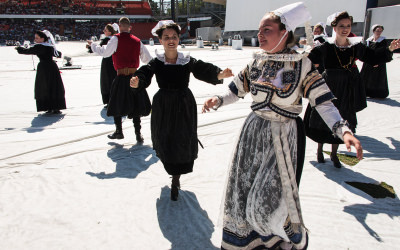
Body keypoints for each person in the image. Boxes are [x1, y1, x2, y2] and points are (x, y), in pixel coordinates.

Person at [202, 3, 363, 249]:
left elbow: (323, 103)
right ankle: (252, 241)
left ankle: (290, 235)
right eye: (259, 29)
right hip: (252, 135)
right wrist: (219, 100)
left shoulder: (301, 65)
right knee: (243, 193)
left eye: (267, 29)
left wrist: (344, 131)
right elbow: (237, 90)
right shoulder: (256, 62)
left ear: (284, 33)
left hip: (283, 138)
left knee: (269, 200)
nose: (260, 34)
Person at [129, 21, 233, 201]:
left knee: (183, 137)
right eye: (167, 37)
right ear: (160, 40)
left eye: (174, 37)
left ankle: (176, 177)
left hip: (184, 104)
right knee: (164, 137)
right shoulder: (157, 62)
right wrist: (138, 80)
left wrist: (219, 74)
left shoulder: (186, 60)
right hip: (163, 105)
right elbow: (145, 72)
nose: (171, 40)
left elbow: (201, 68)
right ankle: (172, 170)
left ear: (179, 39)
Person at [303, 12, 399, 168]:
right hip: (328, 85)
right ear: (334, 27)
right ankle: (319, 150)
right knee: (322, 118)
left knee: (342, 117)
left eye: (348, 26)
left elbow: (372, 57)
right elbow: (308, 60)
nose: (345, 29)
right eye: (341, 26)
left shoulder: (355, 45)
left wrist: (389, 49)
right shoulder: (326, 46)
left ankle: (334, 154)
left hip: (346, 88)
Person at [87, 17, 152, 142]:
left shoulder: (115, 38)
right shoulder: (137, 41)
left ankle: (119, 131)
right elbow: (147, 59)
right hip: (134, 77)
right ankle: (138, 134)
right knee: (136, 105)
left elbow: (105, 53)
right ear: (130, 27)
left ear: (119, 26)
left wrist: (94, 45)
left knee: (117, 104)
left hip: (121, 76)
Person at [16, 30, 66, 114]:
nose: (35, 40)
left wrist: (19, 49)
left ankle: (48, 106)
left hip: (44, 68)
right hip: (52, 67)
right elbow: (58, 54)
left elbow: (28, 51)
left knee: (44, 87)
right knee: (54, 86)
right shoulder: (49, 46)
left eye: (37, 38)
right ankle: (55, 106)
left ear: (43, 39)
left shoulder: (40, 47)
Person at [88, 23, 118, 108]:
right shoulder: (115, 39)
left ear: (110, 32)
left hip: (107, 62)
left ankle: (109, 100)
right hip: (114, 61)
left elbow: (100, 50)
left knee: (107, 81)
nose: (104, 31)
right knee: (113, 79)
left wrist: (92, 45)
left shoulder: (106, 40)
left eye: (105, 30)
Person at [360, 24, 390, 98]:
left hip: (379, 61)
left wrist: (377, 62)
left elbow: (383, 52)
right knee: (366, 76)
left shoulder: (383, 41)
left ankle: (378, 94)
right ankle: (365, 92)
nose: (379, 32)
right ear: (373, 31)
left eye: (380, 31)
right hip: (369, 61)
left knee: (377, 78)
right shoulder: (369, 40)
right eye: (377, 30)